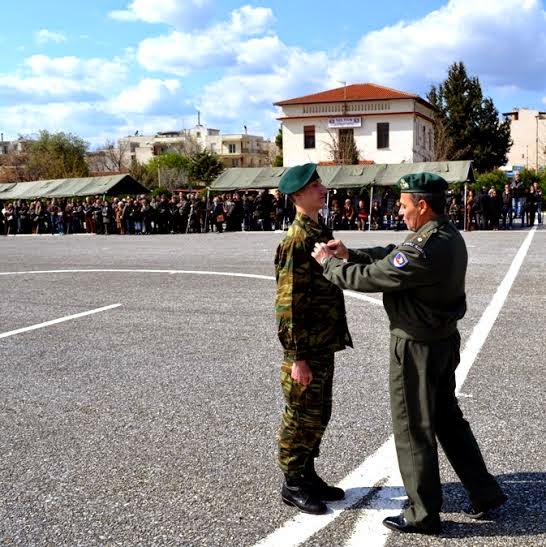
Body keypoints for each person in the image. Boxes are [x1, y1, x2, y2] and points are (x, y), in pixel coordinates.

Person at [311, 172, 507, 535]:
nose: (399, 213)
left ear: (422, 205)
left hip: (417, 348)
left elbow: (372, 277)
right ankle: (485, 492)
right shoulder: (441, 235)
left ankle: (423, 514)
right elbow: (394, 255)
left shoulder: (427, 247)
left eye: (403, 206)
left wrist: (330, 263)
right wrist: (352, 252)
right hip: (441, 342)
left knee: (413, 427)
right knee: (448, 420)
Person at [275, 163, 353, 515]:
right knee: (300, 415)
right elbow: (288, 304)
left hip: (322, 342)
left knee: (319, 413)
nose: (323, 188)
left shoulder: (320, 231)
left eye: (321, 182)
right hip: (306, 348)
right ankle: (292, 482)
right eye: (316, 184)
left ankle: (307, 473)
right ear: (299, 195)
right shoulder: (297, 239)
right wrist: (297, 356)